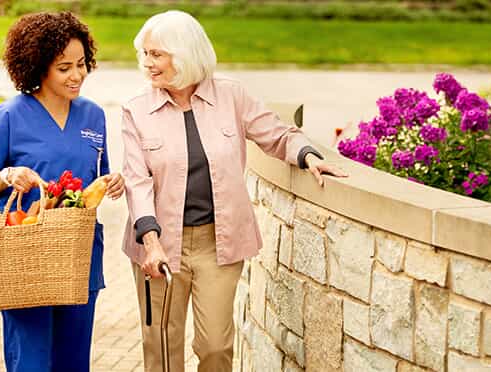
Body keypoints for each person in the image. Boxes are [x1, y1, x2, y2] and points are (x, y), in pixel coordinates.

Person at [120, 10, 346, 372]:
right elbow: (136, 179)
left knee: (215, 347)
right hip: (158, 246)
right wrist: (150, 241)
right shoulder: (136, 110)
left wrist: (307, 156)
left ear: (184, 55)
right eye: (144, 54)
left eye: (157, 54)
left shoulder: (230, 96)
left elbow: (276, 134)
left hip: (217, 244)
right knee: (161, 346)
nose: (147, 63)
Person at [0, 12, 124, 371]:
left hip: (77, 255)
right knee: (32, 361)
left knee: (73, 361)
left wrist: (112, 182)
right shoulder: (9, 115)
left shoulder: (93, 116)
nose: (77, 75)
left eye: (82, 64)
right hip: (27, 256)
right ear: (39, 68)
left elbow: (95, 181)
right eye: (64, 67)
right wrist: (10, 175)